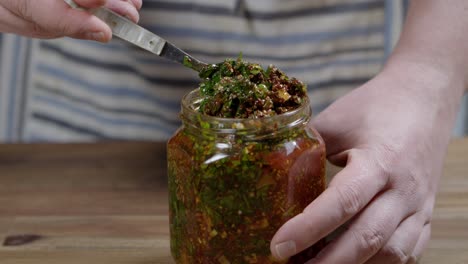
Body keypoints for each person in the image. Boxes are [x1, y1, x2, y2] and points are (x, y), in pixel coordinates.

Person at [0, 0, 467, 263]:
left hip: (367, 68)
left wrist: (429, 73)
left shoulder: (303, 144)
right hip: (81, 90)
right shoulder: (188, 145)